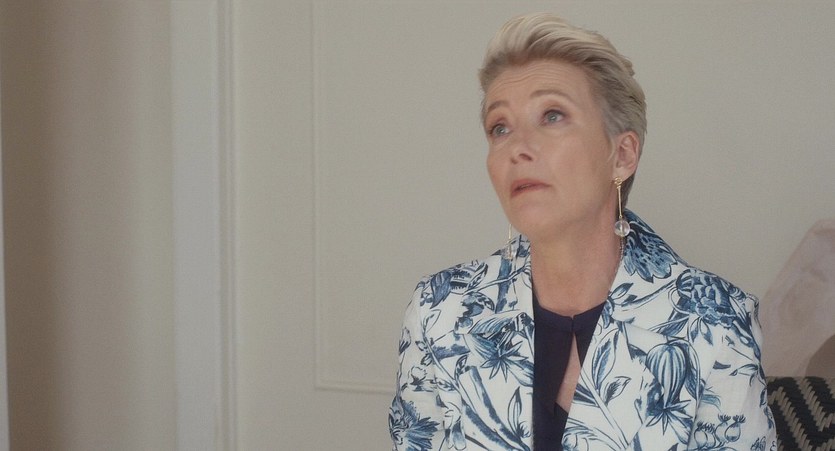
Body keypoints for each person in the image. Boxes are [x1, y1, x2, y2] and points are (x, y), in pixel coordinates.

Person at [389, 12, 776, 451]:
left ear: (622, 155)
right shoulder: (439, 312)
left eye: (552, 115)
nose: (518, 148)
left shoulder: (716, 323)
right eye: (500, 127)